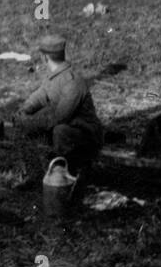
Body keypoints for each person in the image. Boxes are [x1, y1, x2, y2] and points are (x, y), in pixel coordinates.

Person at [8, 35, 104, 178]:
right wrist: (24, 110)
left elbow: (59, 117)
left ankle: (68, 175)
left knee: (60, 131)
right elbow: (39, 96)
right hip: (70, 132)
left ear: (44, 58)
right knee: (47, 130)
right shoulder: (54, 77)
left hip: (87, 135)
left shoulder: (73, 82)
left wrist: (28, 122)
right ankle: (35, 173)